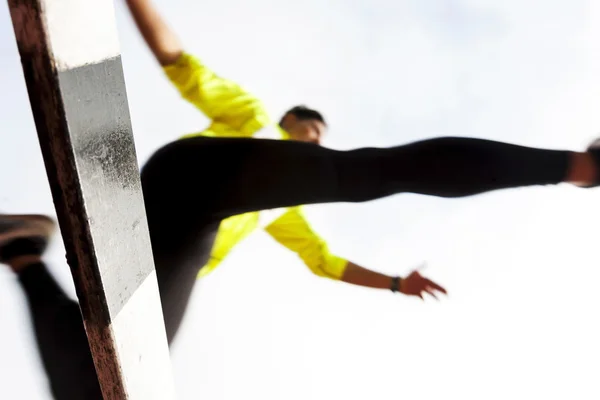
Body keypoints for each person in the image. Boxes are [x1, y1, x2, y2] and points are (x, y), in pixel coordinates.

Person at [2, 0, 600, 398]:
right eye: (308, 131)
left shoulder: (285, 212)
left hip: (171, 249)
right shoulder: (251, 115)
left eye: (317, 137)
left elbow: (325, 264)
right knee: (367, 175)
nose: (313, 140)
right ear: (290, 121)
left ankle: (25, 252)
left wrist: (394, 284)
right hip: (183, 180)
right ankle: (576, 167)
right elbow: (176, 60)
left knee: (104, 382)